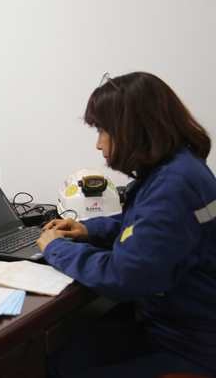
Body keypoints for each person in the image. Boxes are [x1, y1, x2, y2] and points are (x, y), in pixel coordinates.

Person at [37, 72, 216, 378]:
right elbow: (149, 225)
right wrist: (90, 230)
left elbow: (120, 276)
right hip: (174, 329)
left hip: (192, 349)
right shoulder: (179, 167)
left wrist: (56, 248)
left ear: (132, 128)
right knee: (57, 360)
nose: (98, 144)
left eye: (102, 130)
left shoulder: (173, 187)